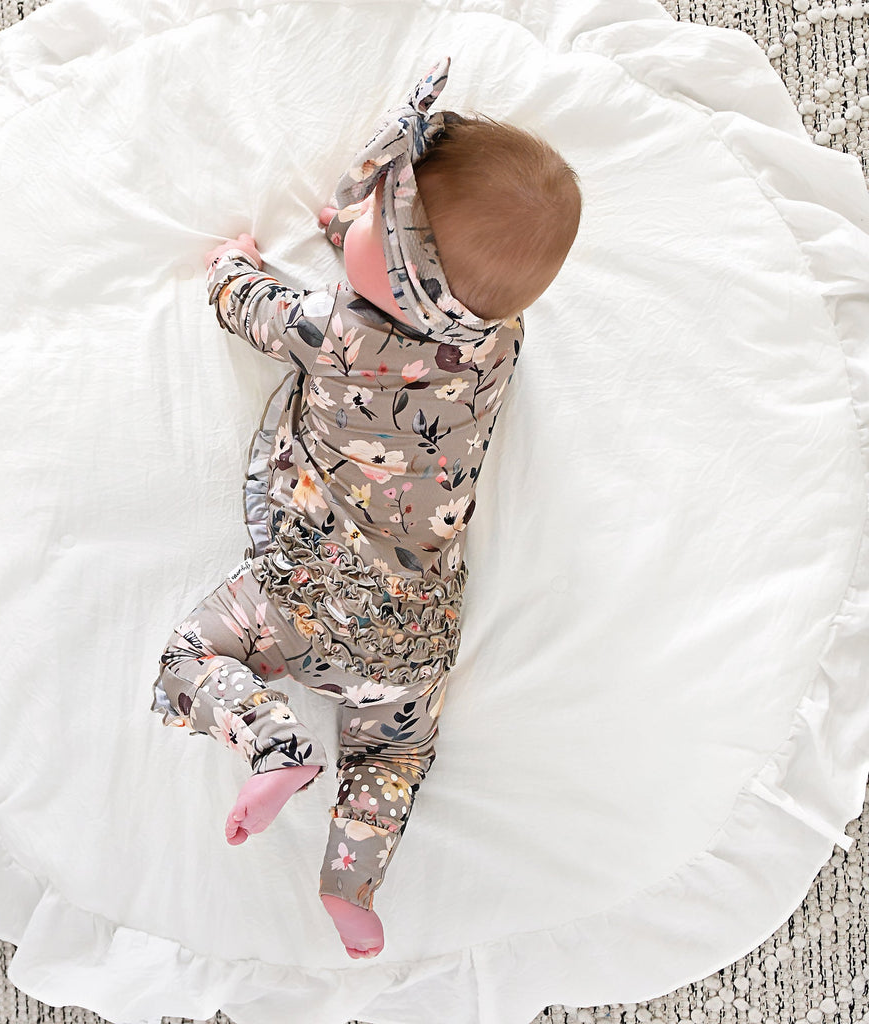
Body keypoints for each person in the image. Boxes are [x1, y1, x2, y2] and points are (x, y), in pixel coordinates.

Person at [150, 56, 582, 960]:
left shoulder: (337, 332)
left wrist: (231, 266)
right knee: (393, 755)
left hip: (305, 595)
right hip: (415, 635)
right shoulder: (499, 340)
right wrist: (361, 236)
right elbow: (418, 272)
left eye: (376, 224)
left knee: (192, 656)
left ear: (400, 272)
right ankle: (351, 882)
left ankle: (273, 745)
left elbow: (247, 306)